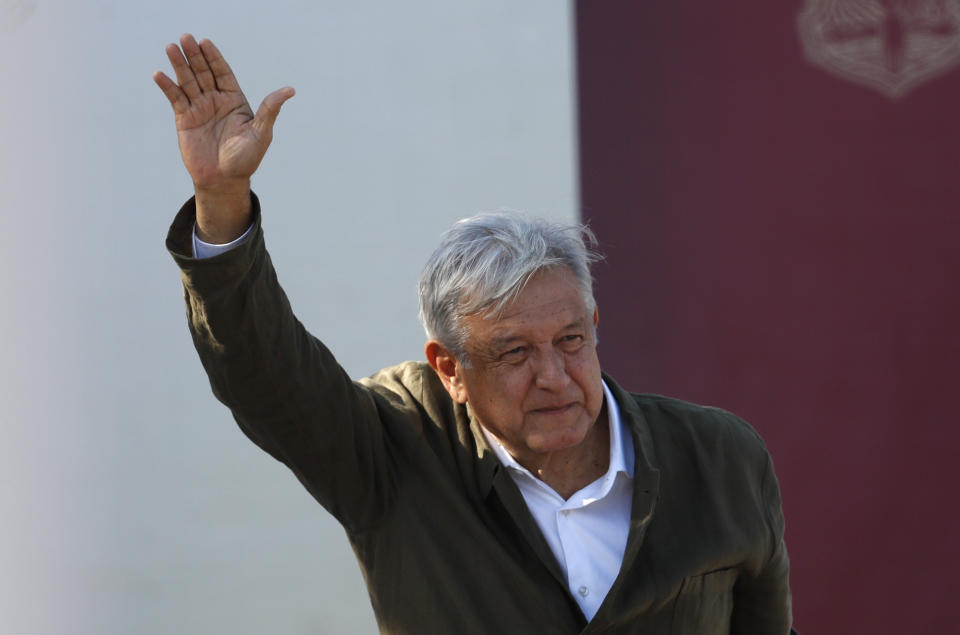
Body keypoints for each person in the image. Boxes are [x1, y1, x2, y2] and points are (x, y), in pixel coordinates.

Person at [156, 34, 794, 634]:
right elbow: (266, 377)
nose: (553, 376)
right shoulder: (397, 449)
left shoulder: (721, 460)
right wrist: (222, 199)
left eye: (570, 341)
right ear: (450, 369)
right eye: (514, 352)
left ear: (594, 328)